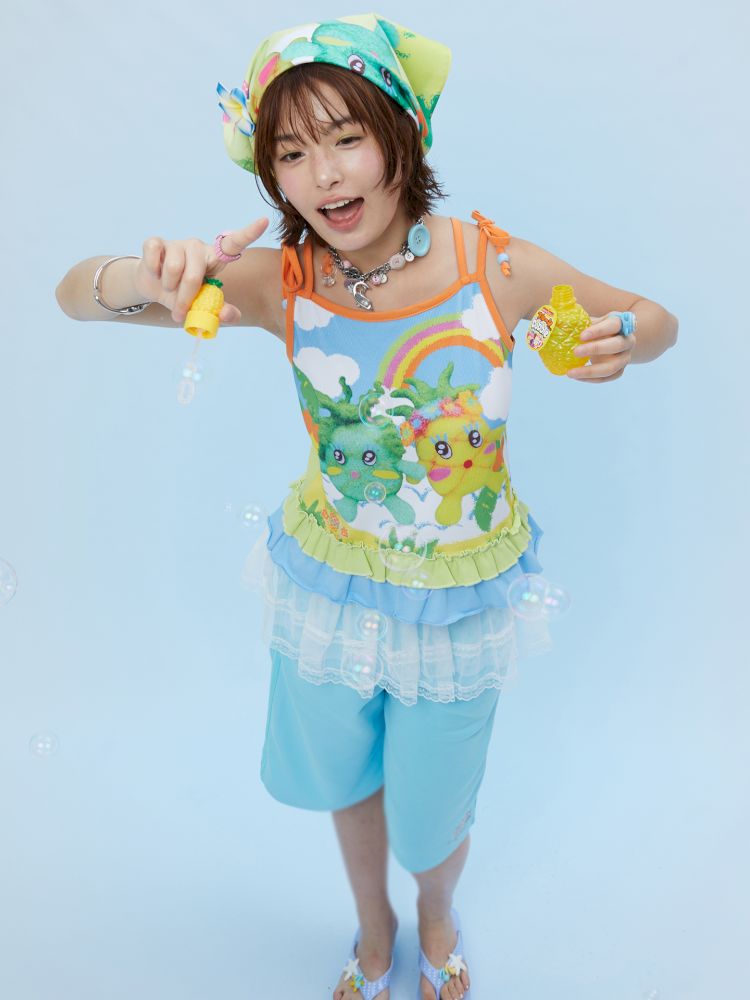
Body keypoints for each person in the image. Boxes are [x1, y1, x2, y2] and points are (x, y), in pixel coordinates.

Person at [55, 13, 679, 1000]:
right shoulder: (283, 281)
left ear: (402, 134)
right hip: (332, 585)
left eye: (346, 137)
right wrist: (151, 275)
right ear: (271, 173)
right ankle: (375, 927)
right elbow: (73, 295)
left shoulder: (494, 265)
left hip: (459, 599)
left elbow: (654, 316)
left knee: (435, 810)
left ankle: (436, 913)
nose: (324, 175)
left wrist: (625, 342)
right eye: (291, 153)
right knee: (345, 780)